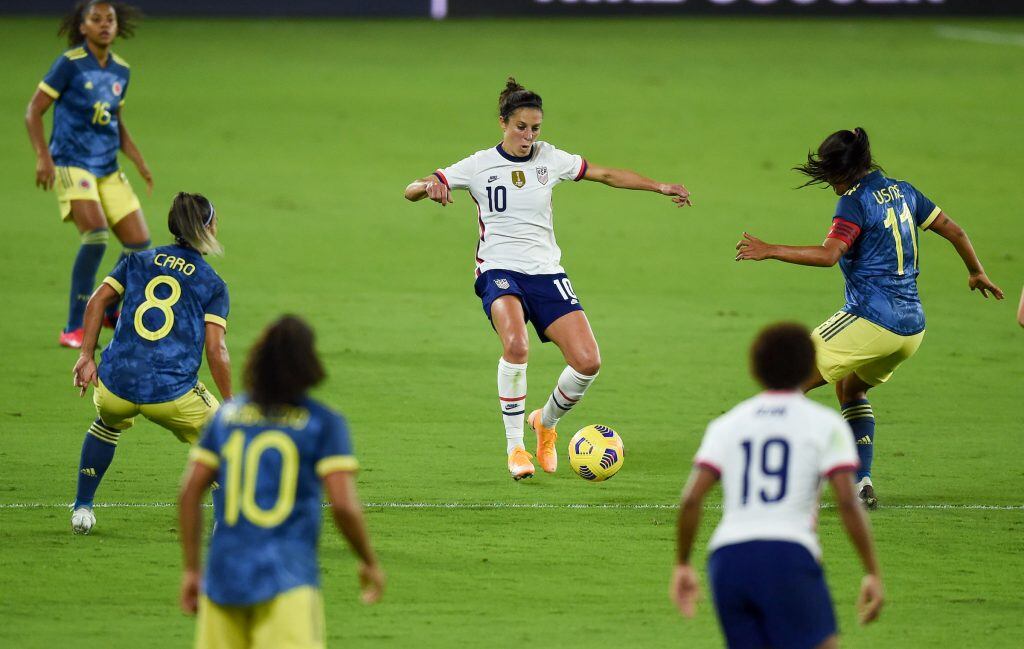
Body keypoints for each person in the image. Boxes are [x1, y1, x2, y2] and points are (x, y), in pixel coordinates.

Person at [404, 77, 691, 480]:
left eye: (536, 128)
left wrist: (658, 185)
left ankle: (546, 423)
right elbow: (411, 189)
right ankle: (515, 448)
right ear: (503, 123)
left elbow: (606, 174)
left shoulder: (550, 159)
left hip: (546, 271)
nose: (529, 136)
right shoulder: (478, 165)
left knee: (588, 362)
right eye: (521, 127)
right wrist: (428, 186)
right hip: (498, 270)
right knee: (517, 345)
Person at [735, 127, 1004, 508]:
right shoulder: (904, 191)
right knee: (850, 388)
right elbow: (954, 230)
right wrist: (976, 271)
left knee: (787, 381)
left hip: (871, 318)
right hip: (912, 329)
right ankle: (861, 482)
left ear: (841, 171)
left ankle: (779, 479)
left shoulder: (854, 202)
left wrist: (771, 249)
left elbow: (830, 254)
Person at [670, 322, 883, 649]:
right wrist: (871, 571)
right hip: (788, 555)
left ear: (755, 370)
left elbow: (691, 500)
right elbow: (847, 502)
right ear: (810, 367)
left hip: (727, 561)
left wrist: (683, 564)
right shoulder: (824, 424)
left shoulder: (727, 424)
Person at [179, 315, 385, 649]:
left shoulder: (228, 419)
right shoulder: (324, 422)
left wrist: (191, 569)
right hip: (287, 580)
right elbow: (344, 505)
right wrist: (368, 560)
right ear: (308, 362)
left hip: (223, 579)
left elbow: (189, 493)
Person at [70, 192, 231, 534]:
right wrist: (231, 402)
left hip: (114, 386)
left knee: (106, 423)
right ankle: (224, 528)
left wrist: (86, 355)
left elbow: (97, 302)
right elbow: (216, 351)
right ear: (207, 227)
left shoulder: (138, 260)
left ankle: (82, 508)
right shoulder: (212, 284)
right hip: (172, 395)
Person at [26, 1, 154, 348]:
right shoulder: (69, 65)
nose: (104, 25)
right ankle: (74, 326)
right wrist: (43, 157)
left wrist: (138, 160)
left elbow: (115, 122)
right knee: (96, 237)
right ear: (82, 27)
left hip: (107, 167)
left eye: (109, 19)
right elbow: (34, 110)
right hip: (72, 162)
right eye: (95, 19)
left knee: (140, 247)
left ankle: (110, 310)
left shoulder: (121, 71)